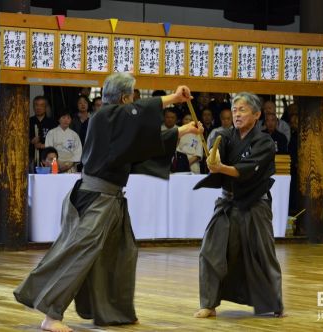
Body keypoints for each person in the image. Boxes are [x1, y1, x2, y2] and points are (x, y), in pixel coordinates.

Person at [14, 72, 203, 332]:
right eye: (132, 98)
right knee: (79, 252)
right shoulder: (104, 116)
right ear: (125, 98)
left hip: (112, 200)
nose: (134, 103)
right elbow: (137, 115)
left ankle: (116, 312)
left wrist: (184, 130)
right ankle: (51, 314)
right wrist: (173, 97)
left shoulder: (119, 125)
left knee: (123, 254)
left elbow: (145, 147)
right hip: (95, 199)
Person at [193, 92, 284, 319]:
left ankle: (274, 303)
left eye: (242, 110)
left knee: (263, 254)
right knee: (210, 250)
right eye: (234, 111)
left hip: (255, 203)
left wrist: (220, 167)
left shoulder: (264, 142)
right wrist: (212, 155)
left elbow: (245, 170)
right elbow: (217, 151)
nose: (237, 114)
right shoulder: (225, 135)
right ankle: (208, 303)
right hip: (227, 202)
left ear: (256, 114)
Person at [45, 109, 82, 173]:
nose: (66, 120)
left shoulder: (74, 135)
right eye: (63, 117)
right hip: (55, 165)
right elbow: (48, 150)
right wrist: (57, 163)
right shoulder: (51, 133)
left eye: (68, 118)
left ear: (71, 120)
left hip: (70, 166)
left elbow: (78, 152)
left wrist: (69, 164)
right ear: (58, 119)